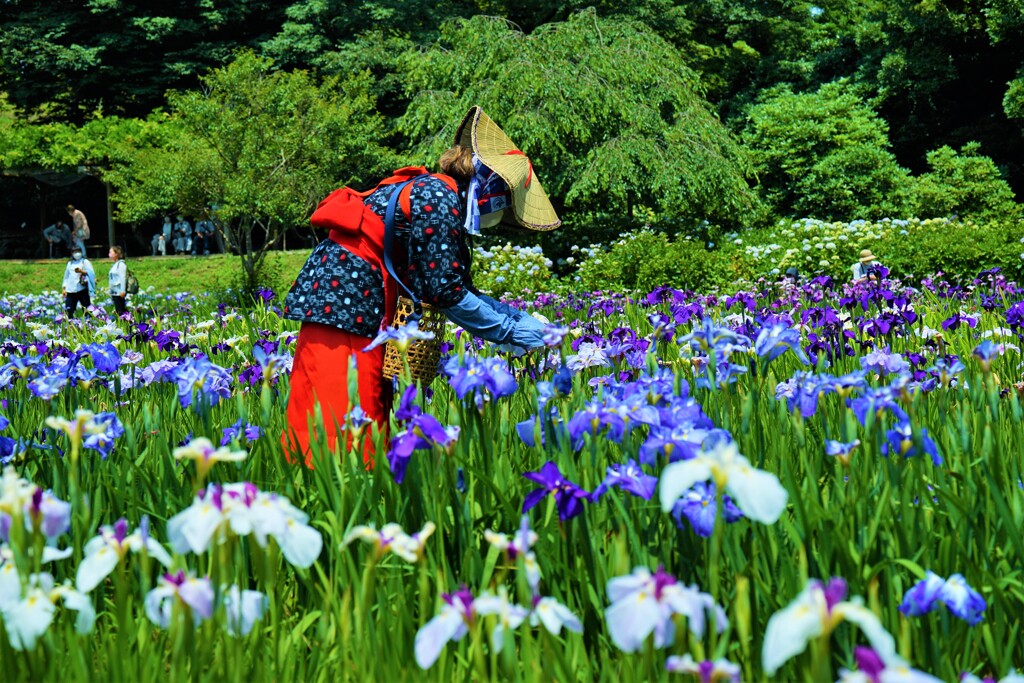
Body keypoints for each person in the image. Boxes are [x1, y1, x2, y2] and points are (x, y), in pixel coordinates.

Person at [282, 106, 558, 466]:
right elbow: (445, 293)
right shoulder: (440, 200)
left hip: (343, 295)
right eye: (504, 203)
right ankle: (337, 499)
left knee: (355, 409)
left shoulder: (436, 192)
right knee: (349, 417)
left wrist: (515, 321)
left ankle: (335, 496)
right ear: (489, 185)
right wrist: (513, 331)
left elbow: (454, 285)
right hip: (347, 299)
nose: (499, 216)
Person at [61, 247, 96, 318]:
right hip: (71, 289)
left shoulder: (85, 261)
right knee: (69, 310)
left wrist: (81, 271)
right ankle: (70, 325)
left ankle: (89, 324)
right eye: (75, 252)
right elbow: (66, 277)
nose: (77, 254)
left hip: (81, 288)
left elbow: (92, 273)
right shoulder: (70, 263)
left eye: (78, 251)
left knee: (87, 309)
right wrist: (64, 288)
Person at [108, 246, 128, 317]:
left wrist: (123, 290)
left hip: (119, 292)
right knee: (118, 310)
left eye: (111, 252)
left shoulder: (121, 264)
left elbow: (123, 278)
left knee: (121, 310)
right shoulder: (115, 265)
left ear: (116, 254)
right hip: (114, 292)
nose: (109, 254)